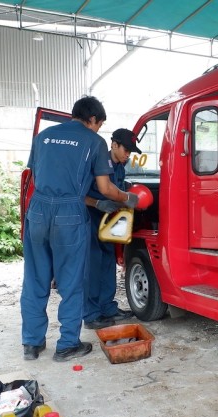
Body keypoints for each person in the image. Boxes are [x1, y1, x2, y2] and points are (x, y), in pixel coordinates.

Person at [20, 96, 139, 362]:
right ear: (94, 119)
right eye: (99, 124)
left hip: (38, 210)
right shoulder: (93, 141)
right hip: (68, 213)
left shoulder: (44, 137)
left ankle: (32, 343)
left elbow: (37, 176)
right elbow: (107, 188)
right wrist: (128, 198)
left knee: (35, 279)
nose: (98, 130)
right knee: (72, 281)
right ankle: (67, 345)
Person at [83, 128, 141, 329]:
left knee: (107, 262)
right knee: (92, 265)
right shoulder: (96, 163)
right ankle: (91, 315)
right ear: (114, 145)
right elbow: (78, 195)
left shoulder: (120, 168)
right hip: (90, 218)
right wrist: (97, 204)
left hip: (109, 221)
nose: (128, 155)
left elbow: (118, 192)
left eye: (131, 152)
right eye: (126, 150)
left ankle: (108, 308)